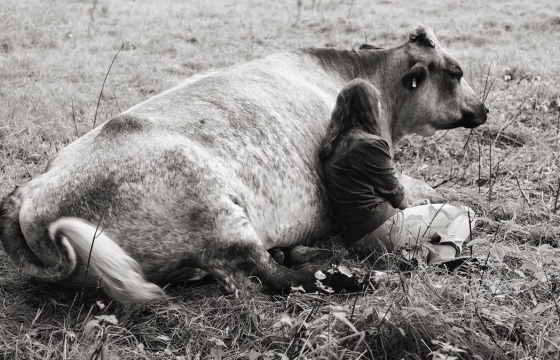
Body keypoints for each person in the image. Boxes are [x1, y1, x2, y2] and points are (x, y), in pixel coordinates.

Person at [319, 78, 474, 266]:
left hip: (356, 239)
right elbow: (396, 195)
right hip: (384, 231)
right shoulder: (370, 144)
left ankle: (415, 255)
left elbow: (364, 194)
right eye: (377, 105)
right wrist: (411, 207)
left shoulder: (331, 146)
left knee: (426, 223)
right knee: (464, 213)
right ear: (370, 108)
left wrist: (412, 208)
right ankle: (443, 255)